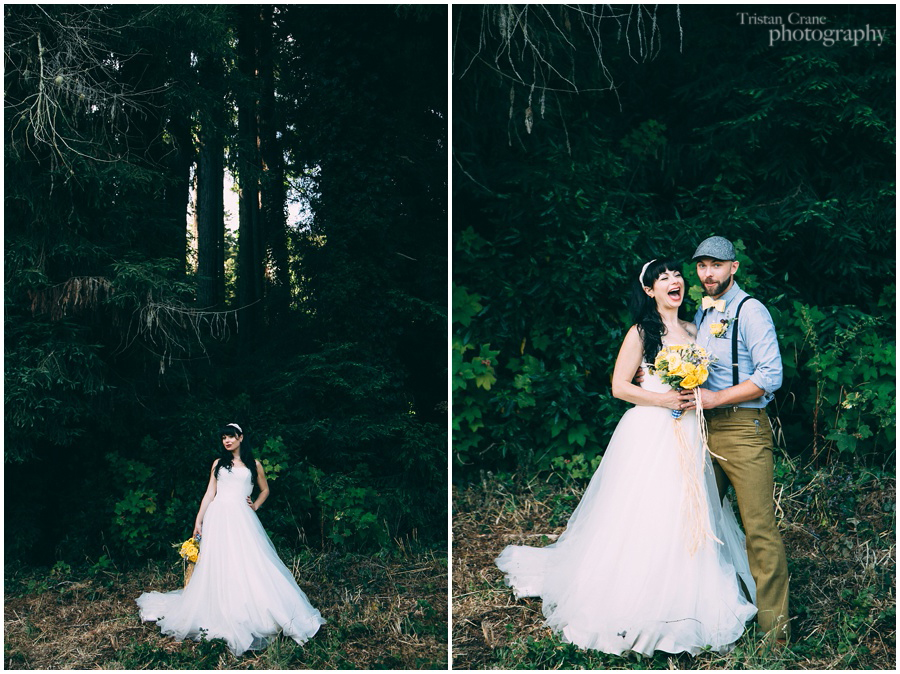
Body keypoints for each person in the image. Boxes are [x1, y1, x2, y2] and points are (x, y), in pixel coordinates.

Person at [495, 258, 757, 656]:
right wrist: (664, 397)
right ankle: (633, 595)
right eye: (662, 278)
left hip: (691, 431)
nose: (675, 281)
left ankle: (687, 594)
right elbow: (619, 386)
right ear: (650, 291)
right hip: (650, 431)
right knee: (647, 511)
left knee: (689, 511)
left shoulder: (696, 329)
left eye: (676, 276)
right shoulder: (640, 332)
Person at [677, 236, 790, 643]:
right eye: (702, 266)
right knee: (699, 523)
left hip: (744, 429)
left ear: (733, 268)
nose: (708, 273)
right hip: (703, 430)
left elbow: (770, 376)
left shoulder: (751, 310)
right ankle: (712, 618)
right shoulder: (701, 314)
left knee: (758, 529)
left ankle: (775, 636)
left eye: (716, 265)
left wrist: (715, 398)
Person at [136, 423, 325, 655]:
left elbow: (265, 490)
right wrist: (199, 520)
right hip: (218, 516)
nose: (227, 441)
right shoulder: (218, 464)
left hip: (242, 517)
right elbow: (210, 493)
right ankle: (218, 604)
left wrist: (255, 504)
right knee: (219, 561)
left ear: (241, 438)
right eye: (224, 438)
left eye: (231, 437)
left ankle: (250, 606)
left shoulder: (254, 465)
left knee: (248, 560)